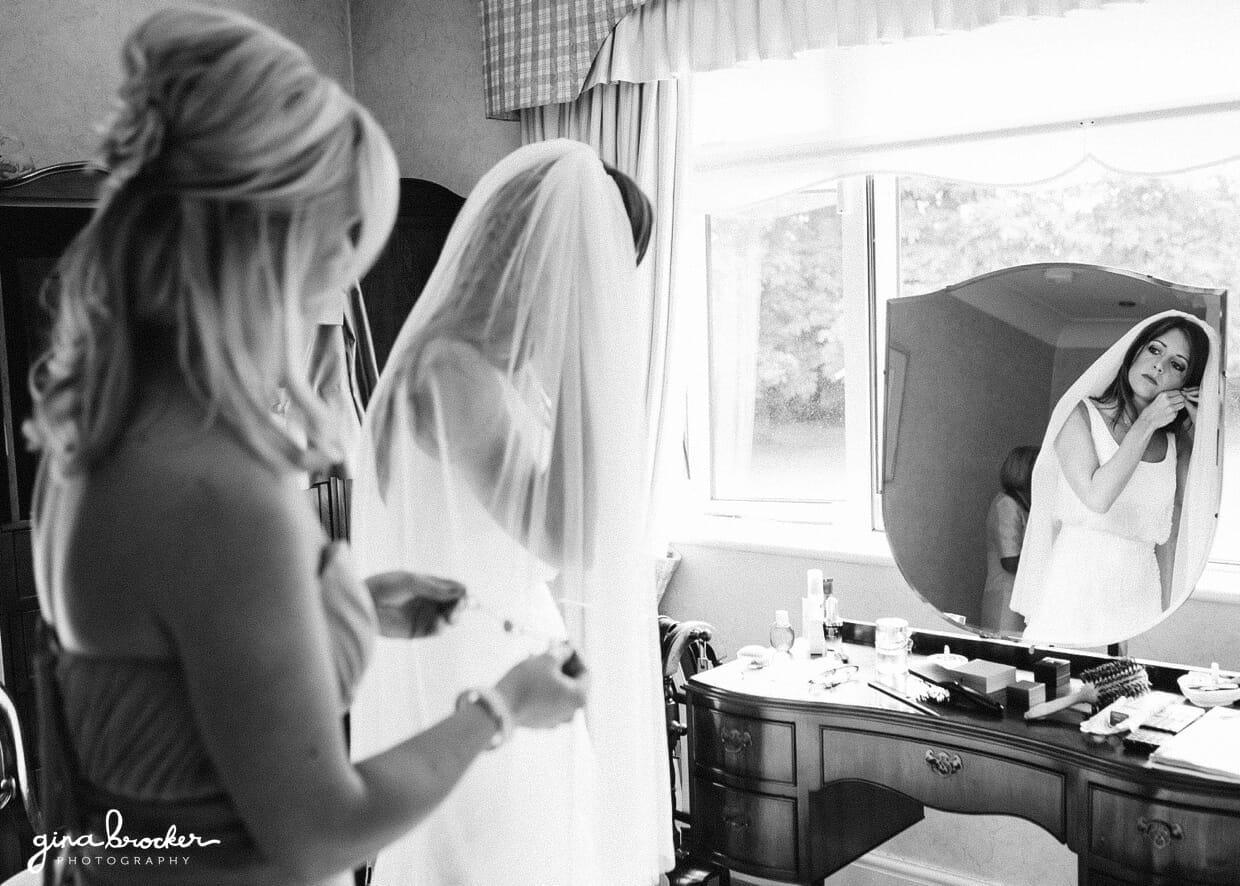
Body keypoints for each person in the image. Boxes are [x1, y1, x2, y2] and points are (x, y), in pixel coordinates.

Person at [26, 8, 587, 885]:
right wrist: (505, 706)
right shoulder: (222, 491)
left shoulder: (95, 442)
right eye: (337, 254)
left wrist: (358, 604)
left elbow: (181, 677)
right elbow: (323, 830)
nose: (336, 299)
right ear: (263, 252)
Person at [348, 139, 672, 885]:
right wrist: (587, 361)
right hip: (478, 678)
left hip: (516, 662)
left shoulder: (489, 366)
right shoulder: (452, 368)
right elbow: (568, 536)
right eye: (595, 271)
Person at [1010, 311, 1221, 646]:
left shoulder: (1174, 444)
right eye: (1154, 350)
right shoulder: (1079, 416)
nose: (1159, 366)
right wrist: (1147, 422)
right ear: (1135, 352)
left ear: (1185, 384)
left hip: (1141, 595)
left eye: (1177, 364)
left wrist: (1205, 433)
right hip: (1076, 588)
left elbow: (1176, 531)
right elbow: (1097, 498)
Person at [979, 445, 1038, 636]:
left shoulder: (1027, 505)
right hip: (1006, 599)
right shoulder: (1006, 504)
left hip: (1023, 597)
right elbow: (1010, 562)